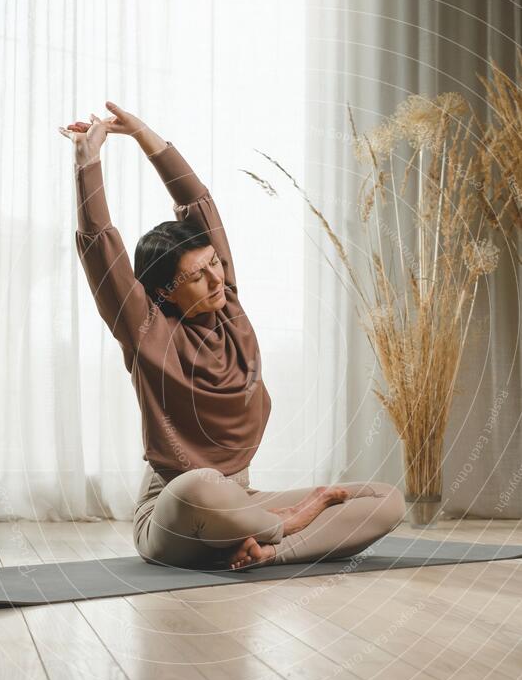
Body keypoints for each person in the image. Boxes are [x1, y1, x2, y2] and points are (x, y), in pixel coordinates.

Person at [59, 102, 406, 572]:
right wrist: (88, 162)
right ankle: (281, 525)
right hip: (180, 510)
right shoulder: (145, 329)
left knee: (385, 500)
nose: (216, 278)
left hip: (242, 502)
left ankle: (266, 549)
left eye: (215, 264)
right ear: (165, 293)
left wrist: (144, 135)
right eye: (198, 276)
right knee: (200, 484)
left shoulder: (229, 306)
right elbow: (100, 244)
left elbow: (198, 204)